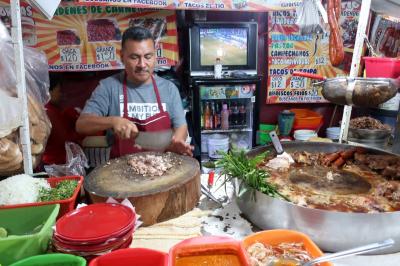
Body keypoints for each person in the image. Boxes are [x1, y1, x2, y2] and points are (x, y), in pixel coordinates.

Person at [76, 26, 192, 157]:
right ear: (122, 57)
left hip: (162, 167)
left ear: (155, 56)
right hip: (122, 171)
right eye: (134, 57)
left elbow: (181, 126)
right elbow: (81, 124)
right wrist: (113, 121)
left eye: (148, 56)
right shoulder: (108, 87)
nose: (142, 64)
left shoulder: (169, 89)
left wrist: (177, 142)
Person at [42, 73, 83, 165]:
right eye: (59, 90)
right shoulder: (50, 112)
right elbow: (64, 138)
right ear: (50, 91)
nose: (61, 94)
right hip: (55, 162)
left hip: (53, 161)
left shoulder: (52, 109)